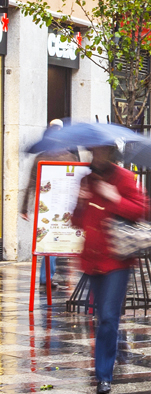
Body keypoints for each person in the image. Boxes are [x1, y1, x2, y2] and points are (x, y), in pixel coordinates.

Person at [71, 144, 149, 394]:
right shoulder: (86, 179)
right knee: (102, 316)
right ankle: (114, 347)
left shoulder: (124, 178)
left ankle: (104, 375)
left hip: (117, 259)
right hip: (92, 260)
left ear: (111, 154)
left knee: (107, 316)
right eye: (93, 153)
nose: (96, 157)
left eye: (101, 152)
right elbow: (76, 221)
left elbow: (141, 210)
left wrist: (114, 197)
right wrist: (81, 204)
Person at [24, 118, 78, 290]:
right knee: (65, 240)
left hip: (45, 207)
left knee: (48, 241)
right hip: (65, 207)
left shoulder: (40, 157)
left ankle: (46, 276)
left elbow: (31, 184)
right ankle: (57, 275)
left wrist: (25, 208)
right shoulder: (70, 157)